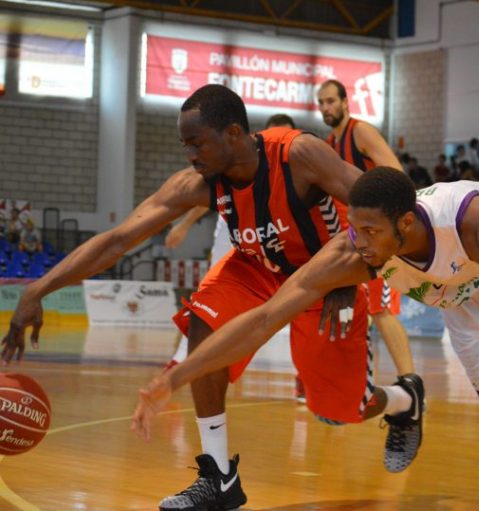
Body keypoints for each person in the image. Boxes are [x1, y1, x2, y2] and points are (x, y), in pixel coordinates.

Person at [2, 85, 426, 511]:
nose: (190, 153)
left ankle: (406, 400)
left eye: (196, 142)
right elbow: (118, 240)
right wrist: (39, 289)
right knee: (201, 320)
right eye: (185, 144)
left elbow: (374, 204)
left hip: (324, 275)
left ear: (235, 134)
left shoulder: (299, 155)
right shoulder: (199, 183)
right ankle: (219, 476)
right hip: (255, 269)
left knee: (339, 411)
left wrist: (348, 276)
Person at [133, 168, 479, 508]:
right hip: (460, 295)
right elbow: (265, 318)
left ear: (405, 223)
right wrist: (179, 375)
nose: (360, 242)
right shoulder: (354, 251)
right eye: (354, 229)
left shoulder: (474, 224)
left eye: (371, 232)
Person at [162, 113, 309, 402]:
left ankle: (302, 373)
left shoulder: (296, 165)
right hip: (235, 231)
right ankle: (181, 360)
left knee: (298, 300)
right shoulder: (239, 166)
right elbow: (206, 196)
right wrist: (185, 224)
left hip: (279, 238)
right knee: (206, 298)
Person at [317, 79, 415, 378]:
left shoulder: (360, 132)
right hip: (350, 240)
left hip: (378, 238)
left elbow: (396, 174)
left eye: (331, 101)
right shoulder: (329, 144)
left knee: (381, 310)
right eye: (321, 103)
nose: (326, 108)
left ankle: (411, 383)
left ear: (346, 102)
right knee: (350, 307)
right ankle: (354, 375)